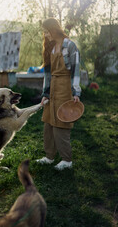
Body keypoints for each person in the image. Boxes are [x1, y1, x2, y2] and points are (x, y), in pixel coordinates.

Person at [36, 18, 81, 170]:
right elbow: (48, 74)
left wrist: (76, 91)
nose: (45, 35)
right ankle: (49, 156)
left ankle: (67, 160)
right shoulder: (50, 47)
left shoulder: (70, 45)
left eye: (47, 31)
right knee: (48, 122)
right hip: (53, 88)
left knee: (61, 122)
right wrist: (45, 92)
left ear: (54, 29)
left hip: (64, 87)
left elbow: (76, 70)